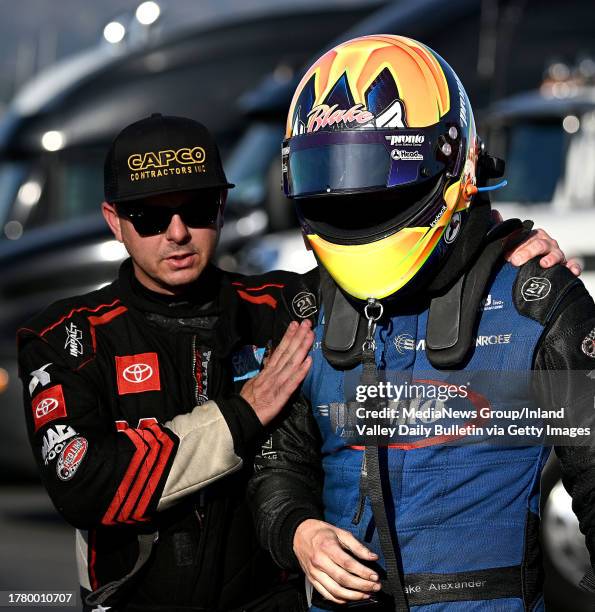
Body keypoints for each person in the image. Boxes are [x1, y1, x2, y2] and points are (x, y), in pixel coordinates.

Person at [247, 35, 595, 611]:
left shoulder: (536, 301)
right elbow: (276, 460)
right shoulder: (306, 311)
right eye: (334, 175)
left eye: (377, 173)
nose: (356, 197)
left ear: (453, 160)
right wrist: (296, 532)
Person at [17, 113, 315, 612]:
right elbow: (86, 487)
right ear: (114, 221)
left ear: (221, 207)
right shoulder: (64, 337)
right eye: (150, 217)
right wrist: (241, 415)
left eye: (196, 209)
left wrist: (490, 246)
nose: (177, 233)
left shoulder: (284, 306)